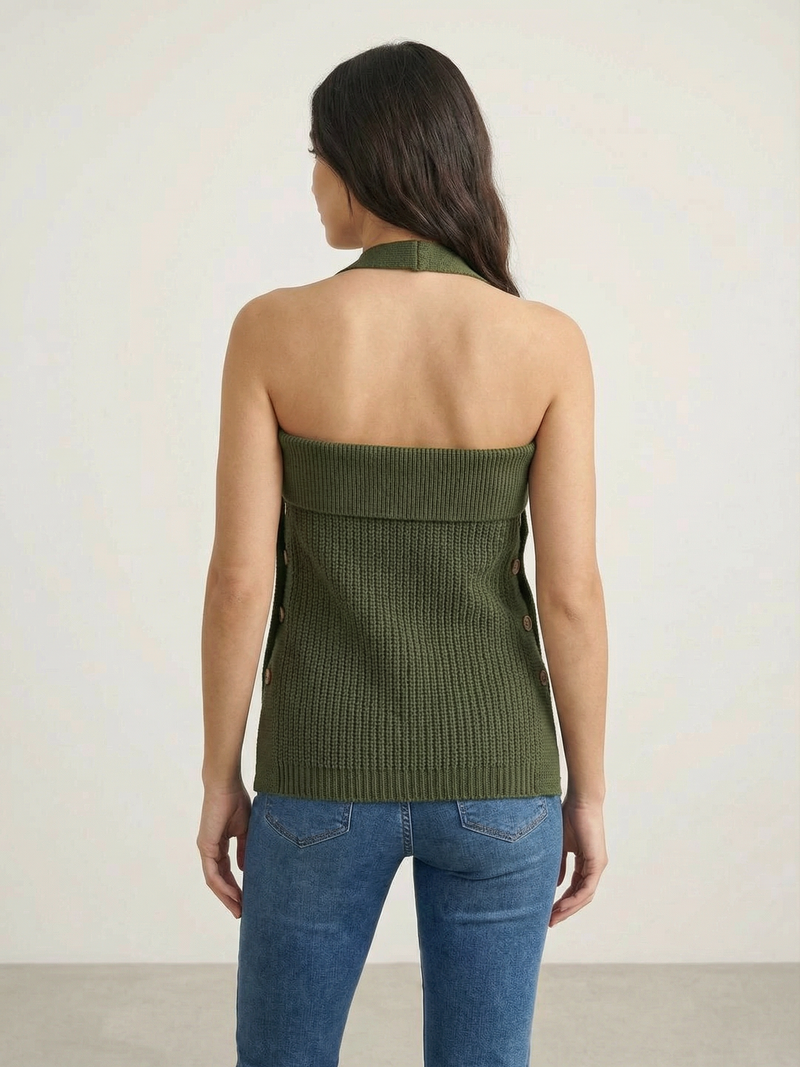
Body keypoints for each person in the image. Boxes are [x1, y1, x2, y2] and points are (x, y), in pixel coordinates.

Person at [197, 39, 609, 1067]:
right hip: (500, 778)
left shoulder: (272, 329)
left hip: (317, 771)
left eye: (317, 155)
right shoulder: (546, 340)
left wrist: (219, 772)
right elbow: (569, 593)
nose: (312, 182)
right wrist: (589, 791)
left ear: (362, 161)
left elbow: (241, 579)